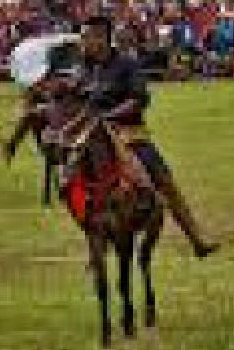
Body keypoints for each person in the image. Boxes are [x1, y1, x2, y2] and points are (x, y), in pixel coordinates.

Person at [76, 16, 219, 258]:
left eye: (87, 36)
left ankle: (196, 239)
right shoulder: (87, 68)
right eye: (83, 36)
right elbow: (82, 104)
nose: (84, 41)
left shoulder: (127, 65)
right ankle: (95, 245)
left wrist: (109, 117)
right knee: (73, 180)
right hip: (93, 136)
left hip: (129, 135)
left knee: (164, 181)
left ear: (102, 38)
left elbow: (139, 100)